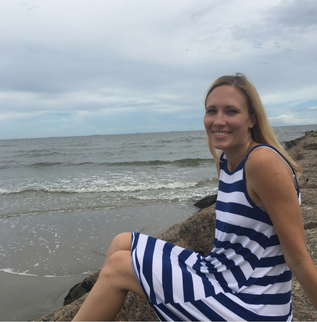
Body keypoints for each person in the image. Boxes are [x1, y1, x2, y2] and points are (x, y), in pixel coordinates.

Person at [73, 73, 317, 321]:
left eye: (231, 111)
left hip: (252, 303)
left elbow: (298, 258)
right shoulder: (225, 160)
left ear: (252, 119)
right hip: (220, 272)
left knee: (120, 267)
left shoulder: (262, 162)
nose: (218, 121)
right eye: (212, 110)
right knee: (123, 242)